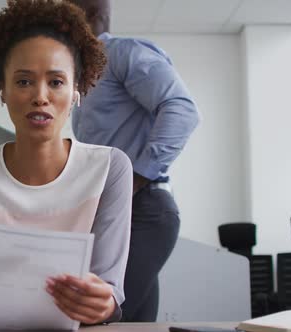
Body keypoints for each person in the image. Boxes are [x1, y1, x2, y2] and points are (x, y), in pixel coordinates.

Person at [0, 0, 133, 325]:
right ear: (2, 89)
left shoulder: (110, 168)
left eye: (56, 82)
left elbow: (110, 291)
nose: (40, 96)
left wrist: (105, 304)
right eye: (24, 81)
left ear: (76, 92)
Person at [68, 0, 200, 322]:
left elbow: (182, 110)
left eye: (65, 18)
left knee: (93, 317)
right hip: (113, 212)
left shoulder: (123, 53)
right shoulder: (82, 73)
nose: (59, 28)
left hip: (144, 210)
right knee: (135, 325)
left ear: (93, 14)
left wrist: (135, 177)